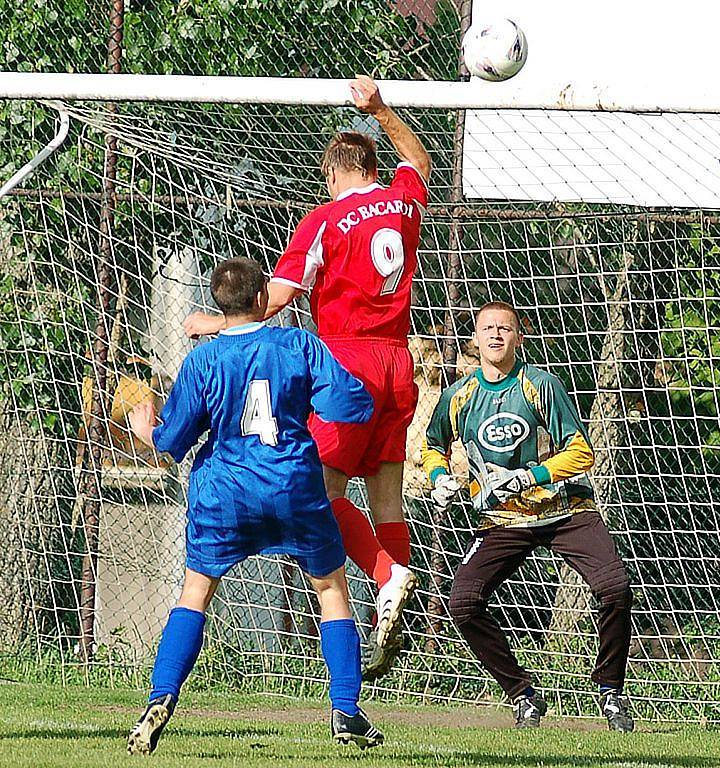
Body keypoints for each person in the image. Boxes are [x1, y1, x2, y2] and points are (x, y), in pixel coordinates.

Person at [183, 75, 431, 678]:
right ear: (376, 163)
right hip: (400, 361)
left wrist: (214, 323)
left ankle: (386, 573)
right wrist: (381, 109)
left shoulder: (324, 219)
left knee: (321, 491)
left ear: (333, 170)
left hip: (344, 361)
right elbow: (418, 159)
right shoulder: (402, 199)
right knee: (387, 495)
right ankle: (382, 619)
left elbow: (273, 300)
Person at [126, 258, 384, 755]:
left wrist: (147, 429)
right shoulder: (298, 344)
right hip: (291, 483)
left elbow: (172, 439)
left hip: (224, 490)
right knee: (331, 588)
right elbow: (348, 404)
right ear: (264, 297)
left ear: (218, 306)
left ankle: (160, 698)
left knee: (195, 592)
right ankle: (346, 710)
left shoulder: (201, 361)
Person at [422, 301, 635, 732]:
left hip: (564, 509)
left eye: (505, 328)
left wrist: (528, 476)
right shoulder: (458, 396)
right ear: (475, 339)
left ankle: (610, 691)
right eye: (488, 329)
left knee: (615, 588)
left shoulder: (542, 385)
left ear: (520, 338)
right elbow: (432, 445)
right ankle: (523, 694)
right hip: (503, 520)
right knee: (463, 601)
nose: (496, 335)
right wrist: (441, 477)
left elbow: (581, 451)